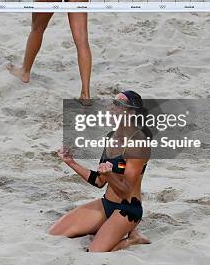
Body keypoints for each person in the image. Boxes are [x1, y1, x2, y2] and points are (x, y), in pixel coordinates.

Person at [49, 91, 151, 252]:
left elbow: (126, 192)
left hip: (127, 210)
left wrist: (109, 175)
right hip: (106, 204)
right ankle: (107, 229)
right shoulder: (111, 137)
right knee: (55, 232)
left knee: (94, 253)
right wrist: (71, 162)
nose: (111, 108)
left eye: (118, 105)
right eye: (113, 103)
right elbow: (98, 181)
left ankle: (132, 239)